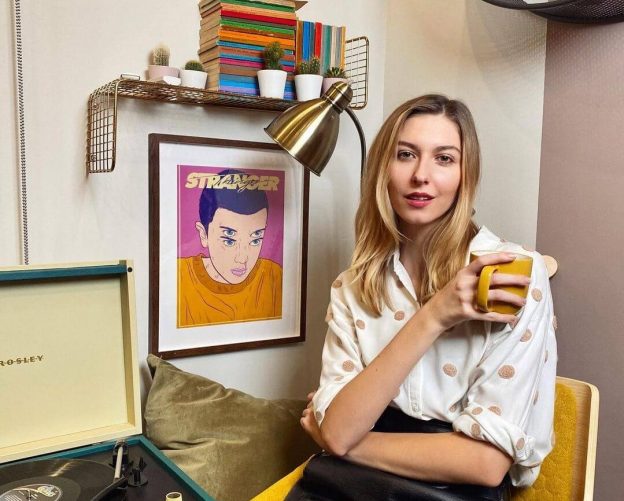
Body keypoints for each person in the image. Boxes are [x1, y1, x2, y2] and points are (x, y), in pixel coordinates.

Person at [290, 95, 557, 500]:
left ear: (466, 175)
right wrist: (435, 315)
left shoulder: (510, 274)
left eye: (444, 159)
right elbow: (339, 430)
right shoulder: (353, 285)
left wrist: (346, 445)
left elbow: (485, 465)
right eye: (405, 155)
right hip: (346, 486)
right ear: (382, 170)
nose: (421, 175)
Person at [177, 168, 283, 327]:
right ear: (204, 235)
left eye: (255, 239)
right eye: (229, 240)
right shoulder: (179, 277)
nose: (242, 258)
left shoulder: (273, 276)